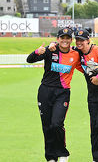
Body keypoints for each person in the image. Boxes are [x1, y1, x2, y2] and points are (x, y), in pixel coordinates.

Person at [51, 29, 98, 162]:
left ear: (88, 40)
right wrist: (53, 45)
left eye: (82, 40)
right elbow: (66, 54)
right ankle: (97, 159)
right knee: (94, 128)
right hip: (93, 93)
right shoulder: (77, 53)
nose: (79, 42)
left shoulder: (97, 50)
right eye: (78, 40)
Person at [26, 27, 81, 162]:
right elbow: (30, 59)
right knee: (47, 126)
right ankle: (51, 157)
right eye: (62, 38)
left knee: (56, 124)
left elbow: (86, 54)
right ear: (58, 39)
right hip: (45, 91)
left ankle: (63, 153)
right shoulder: (51, 50)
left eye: (68, 38)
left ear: (71, 40)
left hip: (62, 93)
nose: (65, 40)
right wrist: (37, 51)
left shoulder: (75, 53)